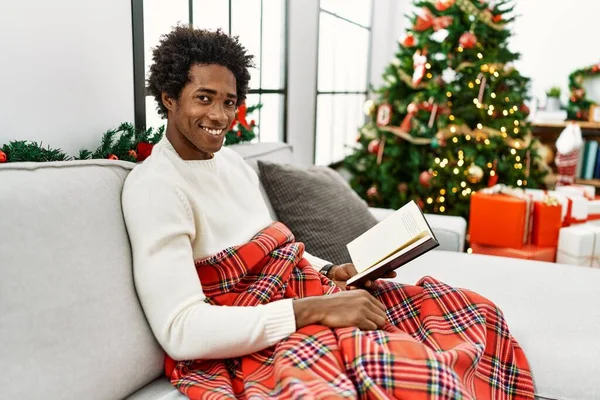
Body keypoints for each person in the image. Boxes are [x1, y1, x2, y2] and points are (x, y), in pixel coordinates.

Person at [123, 26, 534, 399]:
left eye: (229, 102)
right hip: (258, 328)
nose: (219, 116)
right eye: (204, 98)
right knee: (414, 374)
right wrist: (315, 310)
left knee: (467, 310)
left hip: (303, 292)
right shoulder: (156, 188)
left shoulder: (231, 164)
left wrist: (332, 271)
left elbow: (274, 253)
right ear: (169, 98)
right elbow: (180, 329)